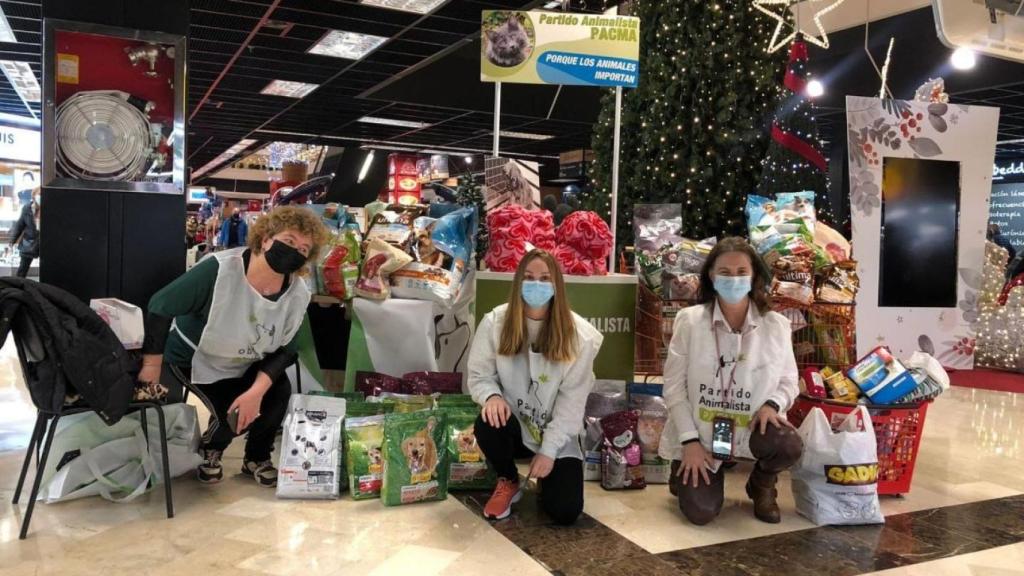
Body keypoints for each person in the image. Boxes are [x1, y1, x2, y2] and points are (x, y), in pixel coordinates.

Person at [139, 206, 328, 487]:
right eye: (289, 241)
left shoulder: (297, 293)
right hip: (193, 359)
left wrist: (256, 392)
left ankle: (257, 457)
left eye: (303, 249)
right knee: (225, 414)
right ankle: (211, 451)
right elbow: (160, 305)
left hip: (246, 362)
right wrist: (151, 366)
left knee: (278, 393)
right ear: (265, 238)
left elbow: (287, 349)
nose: (295, 251)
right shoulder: (219, 270)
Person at [659, 237, 803, 525]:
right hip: (701, 433)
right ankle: (683, 469)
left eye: (741, 272)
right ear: (711, 276)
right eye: (724, 272)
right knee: (700, 513)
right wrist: (689, 442)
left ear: (754, 276)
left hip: (750, 426)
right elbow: (673, 387)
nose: (733, 279)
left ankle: (761, 484)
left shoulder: (776, 325)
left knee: (788, 444)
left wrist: (772, 405)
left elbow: (789, 380)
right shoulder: (689, 322)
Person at [467, 249, 604, 524]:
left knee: (565, 512)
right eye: (529, 277)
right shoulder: (496, 321)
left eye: (545, 278)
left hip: (556, 434)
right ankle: (508, 478)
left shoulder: (580, 337)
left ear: (557, 285)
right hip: (515, 426)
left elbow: (571, 406)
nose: (536, 285)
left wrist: (549, 451)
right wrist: (491, 396)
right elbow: (479, 375)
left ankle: (546, 476)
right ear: (518, 281)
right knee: (488, 420)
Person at [8, 187, 40, 278]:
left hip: (45, 243)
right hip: (29, 243)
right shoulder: (27, 208)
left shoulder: (50, 209)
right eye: (39, 195)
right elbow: (20, 225)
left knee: (48, 270)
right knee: (22, 270)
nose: (41, 197)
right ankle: (17, 288)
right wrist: (12, 240)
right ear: (34, 196)